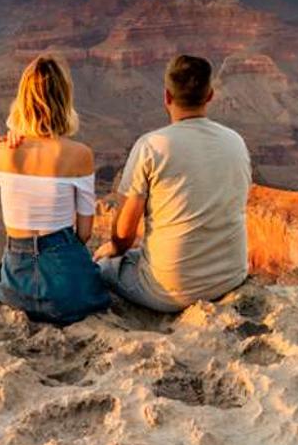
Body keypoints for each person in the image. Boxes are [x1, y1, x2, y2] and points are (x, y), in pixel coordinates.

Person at [95, 54, 251, 312]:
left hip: (170, 292)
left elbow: (124, 235)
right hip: (230, 277)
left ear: (167, 97)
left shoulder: (151, 146)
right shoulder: (235, 141)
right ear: (210, 95)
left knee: (103, 265)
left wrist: (112, 248)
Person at [0, 55, 112, 324]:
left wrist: (14, 130)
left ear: (21, 100)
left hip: (14, 290)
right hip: (66, 291)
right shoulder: (80, 155)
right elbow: (85, 233)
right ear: (65, 99)